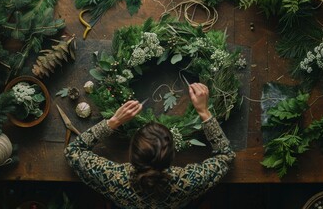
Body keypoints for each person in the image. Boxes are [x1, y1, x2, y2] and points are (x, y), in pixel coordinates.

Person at [64, 83, 236, 208]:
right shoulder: (187, 182)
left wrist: (113, 122)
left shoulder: (113, 178)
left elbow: (73, 151)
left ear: (131, 153)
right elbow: (226, 156)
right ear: (171, 157)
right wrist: (204, 112)